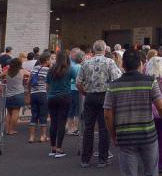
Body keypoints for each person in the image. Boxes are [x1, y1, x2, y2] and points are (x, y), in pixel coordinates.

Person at [77, 39, 122, 168]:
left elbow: (78, 82)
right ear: (104, 49)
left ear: (93, 49)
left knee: (88, 128)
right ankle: (103, 158)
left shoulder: (86, 63)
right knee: (104, 128)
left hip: (90, 97)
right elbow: (117, 79)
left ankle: (85, 159)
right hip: (105, 97)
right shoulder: (109, 62)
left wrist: (85, 93)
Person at [46, 49, 73, 158]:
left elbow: (47, 86)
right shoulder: (69, 70)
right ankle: (59, 148)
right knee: (62, 122)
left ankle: (52, 148)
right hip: (64, 97)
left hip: (52, 97)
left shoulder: (51, 70)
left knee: (54, 122)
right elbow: (78, 79)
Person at [27, 51, 51, 144]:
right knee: (43, 115)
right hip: (43, 94)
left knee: (34, 115)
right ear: (47, 60)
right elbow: (48, 84)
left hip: (34, 94)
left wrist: (29, 93)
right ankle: (43, 136)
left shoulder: (34, 68)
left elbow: (29, 82)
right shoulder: (47, 70)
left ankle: (32, 137)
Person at [3, 57, 26, 136]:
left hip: (8, 94)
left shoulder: (7, 72)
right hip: (18, 94)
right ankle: (11, 130)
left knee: (9, 113)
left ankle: (7, 130)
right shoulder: (22, 71)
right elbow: (31, 74)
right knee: (15, 112)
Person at [67, 49, 83, 135]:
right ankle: (75, 128)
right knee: (77, 110)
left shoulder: (72, 67)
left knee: (71, 109)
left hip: (70, 89)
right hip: (78, 90)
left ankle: (69, 128)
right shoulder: (81, 67)